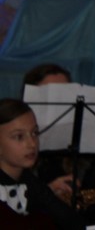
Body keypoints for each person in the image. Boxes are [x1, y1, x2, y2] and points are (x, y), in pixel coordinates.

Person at [0, 98, 85, 230]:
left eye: (35, 133)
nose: (32, 144)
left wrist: (48, 193)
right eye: (19, 136)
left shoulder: (29, 181)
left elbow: (73, 222)